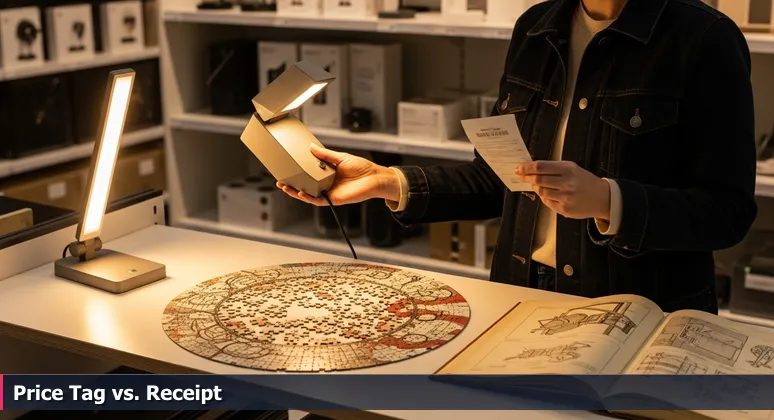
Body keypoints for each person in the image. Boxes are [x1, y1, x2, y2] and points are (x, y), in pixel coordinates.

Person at [278, 0, 758, 314]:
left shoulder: (703, 38)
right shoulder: (536, 28)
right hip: (521, 294)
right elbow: (501, 179)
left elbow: (727, 212)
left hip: (636, 311)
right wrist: (387, 181)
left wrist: (610, 201)